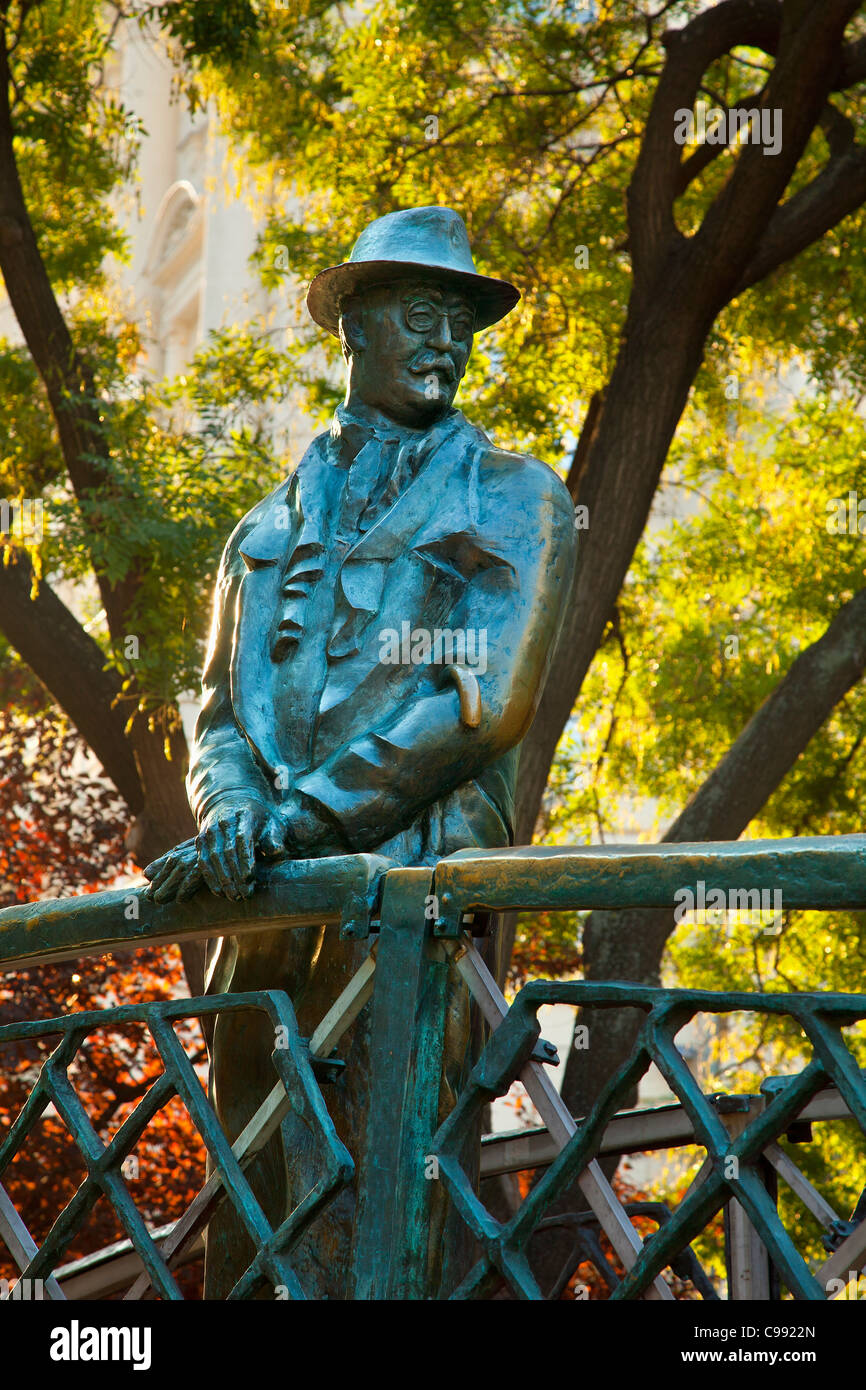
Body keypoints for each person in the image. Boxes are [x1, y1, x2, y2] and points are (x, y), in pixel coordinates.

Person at [144, 205, 576, 1297]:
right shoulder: (262, 527)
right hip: (263, 916)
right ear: (355, 325)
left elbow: (482, 699)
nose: (445, 341)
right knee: (251, 1213)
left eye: (459, 320)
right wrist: (234, 809)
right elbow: (213, 710)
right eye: (421, 314)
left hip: (412, 897)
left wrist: (304, 818)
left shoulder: (514, 497)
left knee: (396, 1215)